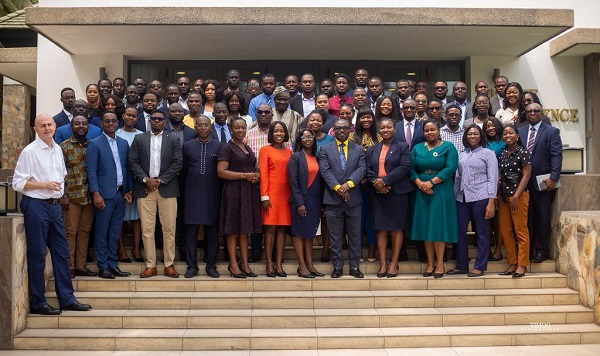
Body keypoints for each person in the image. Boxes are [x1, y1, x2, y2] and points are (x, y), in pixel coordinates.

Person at [13, 113, 92, 315]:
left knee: (62, 252)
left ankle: (67, 298)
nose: (47, 128)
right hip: (36, 205)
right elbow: (18, 183)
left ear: (55, 126)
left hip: (55, 206)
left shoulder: (57, 149)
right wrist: (43, 184)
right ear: (35, 129)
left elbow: (61, 177)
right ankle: (39, 303)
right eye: (42, 126)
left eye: (50, 125)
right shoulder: (29, 152)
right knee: (38, 254)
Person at [129, 109, 183, 278]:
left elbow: (178, 162)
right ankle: (150, 265)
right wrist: (146, 180)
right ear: (149, 121)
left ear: (164, 122)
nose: (157, 121)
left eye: (160, 118)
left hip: (167, 188)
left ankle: (169, 264)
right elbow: (133, 161)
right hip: (145, 190)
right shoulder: (139, 139)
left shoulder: (173, 138)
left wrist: (159, 180)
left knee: (169, 229)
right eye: (154, 118)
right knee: (147, 230)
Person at [409, 120, 458, 279]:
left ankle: (440, 264)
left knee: (437, 226)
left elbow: (451, 168)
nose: (430, 133)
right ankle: (430, 263)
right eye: (427, 130)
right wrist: (419, 183)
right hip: (421, 190)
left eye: (432, 130)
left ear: (438, 131)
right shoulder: (417, 148)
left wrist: (431, 182)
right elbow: (410, 168)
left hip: (441, 190)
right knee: (425, 227)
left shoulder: (448, 147)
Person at [87, 112, 133, 279]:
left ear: (118, 123)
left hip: (120, 194)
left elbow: (126, 168)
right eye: (107, 121)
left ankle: (113, 265)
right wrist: (96, 193)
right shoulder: (94, 144)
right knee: (102, 230)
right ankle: (103, 265)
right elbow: (91, 171)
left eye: (114, 121)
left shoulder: (123, 143)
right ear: (101, 123)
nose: (111, 124)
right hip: (103, 195)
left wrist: (129, 189)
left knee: (115, 231)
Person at [319, 119, 367, 278]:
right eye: (338, 128)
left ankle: (354, 267)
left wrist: (349, 185)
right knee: (335, 236)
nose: (341, 131)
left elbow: (362, 169)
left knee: (354, 235)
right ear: (333, 130)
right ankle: (337, 267)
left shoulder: (359, 149)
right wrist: (340, 188)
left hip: (354, 200)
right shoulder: (325, 149)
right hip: (333, 199)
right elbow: (325, 171)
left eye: (344, 128)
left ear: (350, 130)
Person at [448, 124, 498, 277]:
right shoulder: (462, 154)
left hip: (481, 197)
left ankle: (480, 266)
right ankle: (462, 264)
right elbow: (457, 177)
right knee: (459, 231)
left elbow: (493, 178)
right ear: (466, 136)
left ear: (480, 136)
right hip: (462, 198)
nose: (472, 136)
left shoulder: (488, 154)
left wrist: (491, 201)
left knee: (482, 232)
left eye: (475, 134)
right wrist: (453, 196)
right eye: (469, 134)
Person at [366, 118, 412, 278]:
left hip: (397, 192)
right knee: (381, 228)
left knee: (396, 228)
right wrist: (378, 184)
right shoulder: (372, 149)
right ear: (379, 130)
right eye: (382, 127)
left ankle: (394, 263)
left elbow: (405, 167)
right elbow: (368, 170)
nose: (385, 130)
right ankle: (383, 263)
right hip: (378, 193)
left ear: (394, 129)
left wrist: (385, 181)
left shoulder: (402, 147)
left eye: (389, 127)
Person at [217, 117, 262, 278]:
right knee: (233, 230)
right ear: (231, 129)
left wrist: (255, 176)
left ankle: (244, 263)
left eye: (243, 128)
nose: (240, 131)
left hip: (248, 192)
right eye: (237, 128)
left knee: (245, 230)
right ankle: (233, 264)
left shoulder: (246, 147)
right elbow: (221, 172)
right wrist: (245, 176)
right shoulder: (227, 148)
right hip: (234, 191)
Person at [518, 102, 562, 263]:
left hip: (543, 180)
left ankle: (542, 250)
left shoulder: (551, 131)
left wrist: (554, 177)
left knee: (542, 215)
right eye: (529, 111)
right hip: (523, 182)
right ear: (525, 113)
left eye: (536, 111)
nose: (532, 113)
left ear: (541, 113)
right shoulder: (520, 131)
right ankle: (527, 249)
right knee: (526, 217)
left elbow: (556, 155)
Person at [182, 115, 223, 278]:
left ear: (210, 126)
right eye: (200, 125)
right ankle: (192, 266)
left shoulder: (219, 146)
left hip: (213, 194)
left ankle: (211, 266)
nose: (203, 128)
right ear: (196, 127)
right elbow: (183, 172)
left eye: (206, 125)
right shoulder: (187, 146)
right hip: (191, 194)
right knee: (191, 232)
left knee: (212, 232)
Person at [60, 115, 96, 278]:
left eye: (84, 123)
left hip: (89, 197)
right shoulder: (64, 147)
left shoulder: (93, 146)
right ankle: (69, 266)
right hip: (71, 197)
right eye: (77, 123)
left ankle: (81, 265)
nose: (81, 126)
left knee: (84, 232)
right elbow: (59, 173)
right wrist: (64, 195)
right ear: (71, 126)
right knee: (70, 232)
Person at [289, 128, 324, 278]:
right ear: (300, 140)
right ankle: (302, 266)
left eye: (311, 136)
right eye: (304, 137)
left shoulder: (317, 158)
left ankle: (310, 265)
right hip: (301, 201)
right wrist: (299, 203)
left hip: (315, 201)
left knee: (310, 234)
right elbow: (293, 182)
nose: (308, 139)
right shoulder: (296, 157)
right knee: (298, 233)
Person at [259, 121, 293, 277]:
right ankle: (269, 264)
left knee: (282, 229)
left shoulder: (289, 152)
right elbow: (264, 175)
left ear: (285, 134)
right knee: (270, 228)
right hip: (271, 194)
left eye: (281, 131)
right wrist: (264, 196)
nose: (278, 134)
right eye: (275, 131)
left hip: (286, 194)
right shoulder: (265, 150)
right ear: (271, 134)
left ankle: (279, 264)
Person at [497, 125, 531, 278]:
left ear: (517, 136)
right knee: (505, 231)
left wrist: (516, 196)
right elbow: (500, 175)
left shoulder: (523, 152)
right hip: (503, 196)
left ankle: (522, 265)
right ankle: (512, 263)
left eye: (511, 133)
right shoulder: (503, 153)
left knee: (520, 231)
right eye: (505, 133)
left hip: (519, 196)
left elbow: (526, 175)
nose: (508, 135)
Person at [349, 107, 381, 263]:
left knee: (373, 218)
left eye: (369, 117)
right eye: (362, 117)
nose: (366, 120)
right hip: (356, 185)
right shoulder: (351, 137)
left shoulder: (380, 137)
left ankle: (372, 250)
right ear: (358, 120)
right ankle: (358, 251)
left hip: (375, 184)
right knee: (358, 219)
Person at [115, 106, 144, 263]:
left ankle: (136, 248)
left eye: (134, 116)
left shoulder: (142, 135)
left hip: (138, 183)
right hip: (120, 183)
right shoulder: (116, 134)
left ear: (137, 119)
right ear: (123, 116)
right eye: (128, 115)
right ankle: (121, 249)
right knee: (119, 218)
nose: (131, 118)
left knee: (137, 218)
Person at [485, 117, 506, 262]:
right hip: (484, 183)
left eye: (493, 126)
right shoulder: (483, 143)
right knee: (487, 219)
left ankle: (498, 250)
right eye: (487, 127)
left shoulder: (504, 143)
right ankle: (487, 249)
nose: (490, 129)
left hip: (501, 183)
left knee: (499, 220)